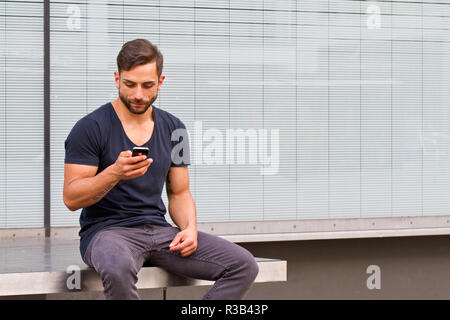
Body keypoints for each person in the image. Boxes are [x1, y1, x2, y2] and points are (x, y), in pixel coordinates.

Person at [63, 38, 259, 300]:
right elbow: (72, 198)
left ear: (161, 82)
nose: (138, 95)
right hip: (107, 233)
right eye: (130, 84)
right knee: (118, 267)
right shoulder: (90, 128)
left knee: (243, 265)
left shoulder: (174, 128)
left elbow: (179, 193)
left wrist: (189, 228)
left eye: (148, 85)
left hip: (160, 231)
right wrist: (115, 172)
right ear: (116, 78)